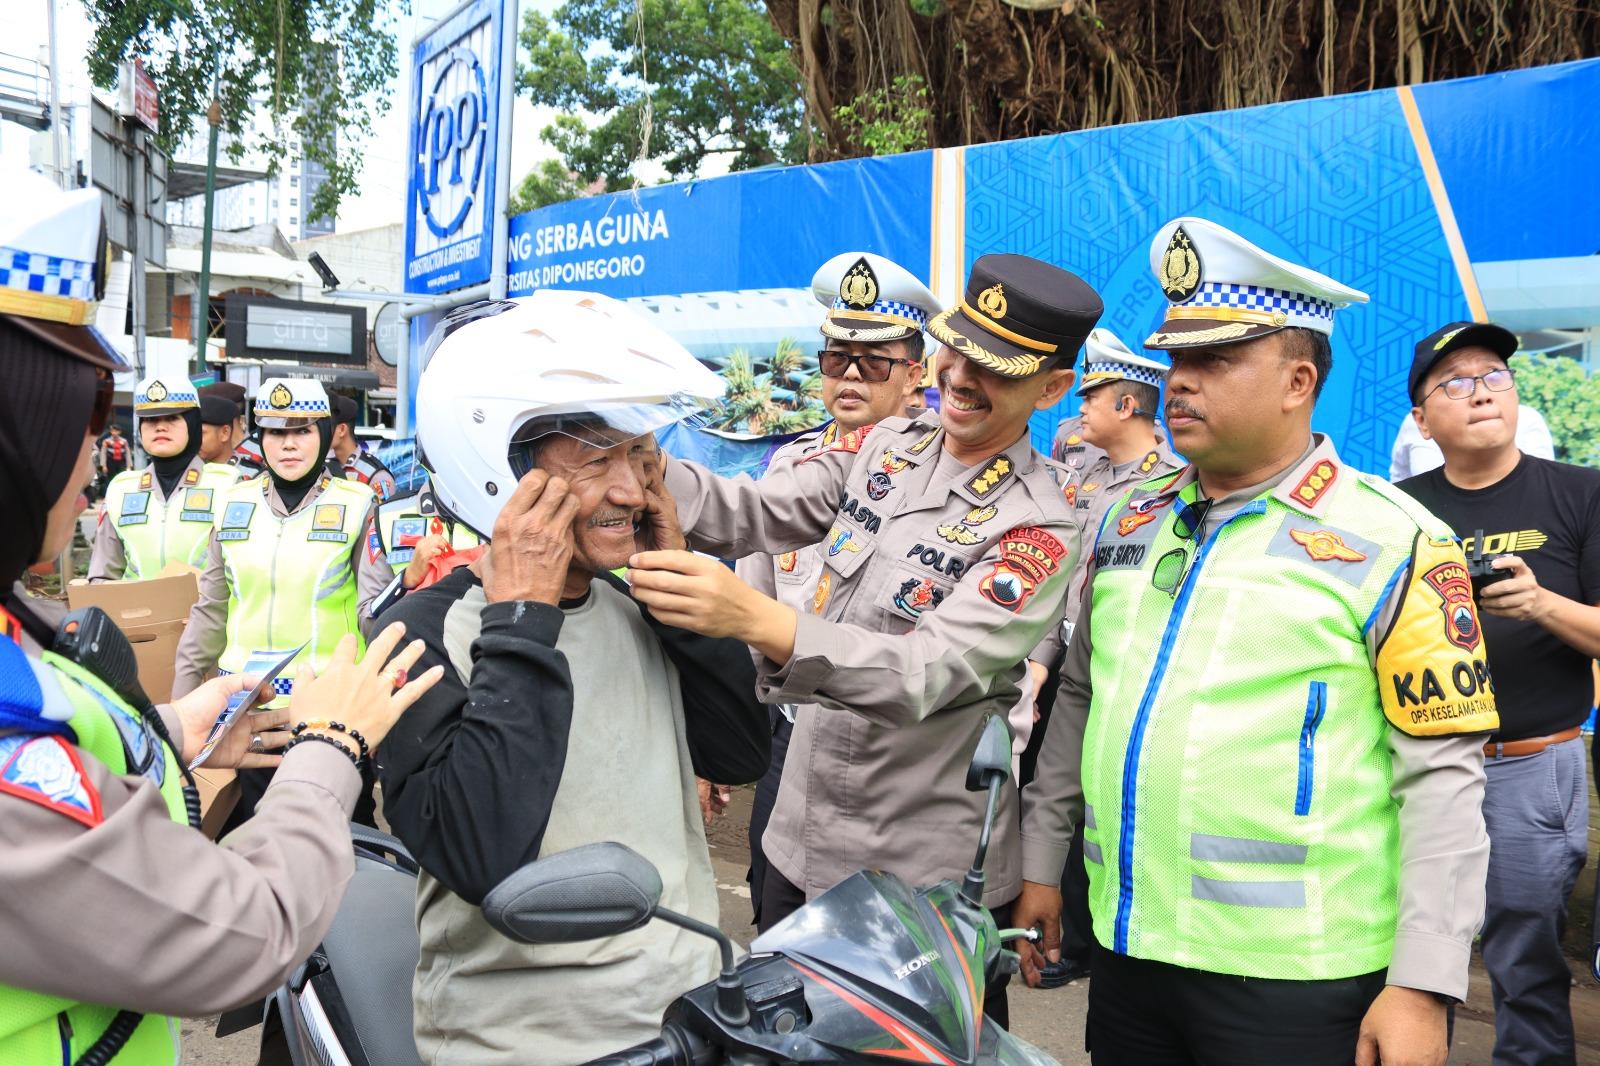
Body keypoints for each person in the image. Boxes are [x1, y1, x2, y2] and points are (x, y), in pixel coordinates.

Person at [1015, 217, 1498, 1066]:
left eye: (1214, 361)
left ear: (1298, 381)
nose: (1181, 383)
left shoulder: (1393, 540)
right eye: (1175, 360)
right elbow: (1082, 697)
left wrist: (1423, 982)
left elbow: (1443, 780)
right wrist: (1044, 863)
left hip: (1300, 982)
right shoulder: (1130, 518)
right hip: (1130, 957)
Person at [0, 168, 441, 1064]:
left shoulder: (357, 506)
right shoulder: (227, 508)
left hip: (300, 708)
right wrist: (331, 751)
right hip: (297, 729)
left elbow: (383, 605)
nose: (100, 444)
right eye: (90, 405)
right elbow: (238, 930)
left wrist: (168, 728)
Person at [630, 253, 1097, 1024]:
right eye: (955, 351)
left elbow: (925, 670)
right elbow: (751, 510)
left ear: (1052, 389)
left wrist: (751, 617)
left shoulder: (1038, 526)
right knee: (784, 1037)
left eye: (997, 370)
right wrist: (639, 459)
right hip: (798, 837)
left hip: (911, 875)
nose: (960, 378)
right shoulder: (886, 447)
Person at [373, 293, 769, 1065]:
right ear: (502, 469)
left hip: (683, 1016)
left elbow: (740, 756)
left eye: (641, 459)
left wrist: (681, 600)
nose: (632, 491)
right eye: (597, 462)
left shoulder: (632, 604)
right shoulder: (423, 629)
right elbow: (475, 849)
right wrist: (522, 617)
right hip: (531, 1042)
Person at [1394, 320, 1600, 1066]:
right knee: (1412, 960)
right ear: (1421, 416)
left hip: (1528, 768)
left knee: (1528, 964)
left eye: (1494, 378)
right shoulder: (1396, 510)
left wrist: (1541, 604)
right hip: (1416, 764)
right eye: (1455, 382)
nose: (1481, 393)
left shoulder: (1581, 494)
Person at [737, 251, 940, 926]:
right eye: (836, 358)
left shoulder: (951, 479)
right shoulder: (791, 466)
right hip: (793, 738)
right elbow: (754, 608)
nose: (850, 374)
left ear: (917, 375)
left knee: (898, 954)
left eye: (874, 360)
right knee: (779, 927)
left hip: (899, 754)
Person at [1025, 328, 1183, 989]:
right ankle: (1048, 923)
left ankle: (1088, 937)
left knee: (1098, 797)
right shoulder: (1080, 475)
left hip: (1118, 660)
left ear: (1127, 406)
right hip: (1057, 653)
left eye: (1093, 396)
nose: (1079, 407)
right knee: (1047, 787)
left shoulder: (1170, 485)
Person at [173, 376, 396, 827]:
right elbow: (211, 609)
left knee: (341, 837)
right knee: (247, 839)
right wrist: (178, 712)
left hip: (326, 714)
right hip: (245, 712)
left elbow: (373, 609)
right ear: (261, 437)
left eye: (302, 431)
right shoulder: (233, 504)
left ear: (325, 432)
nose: (288, 444)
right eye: (276, 431)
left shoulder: (358, 505)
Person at [87, 375, 241, 582]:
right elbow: (102, 575)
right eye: (150, 420)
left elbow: (244, 574)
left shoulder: (229, 486)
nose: (160, 427)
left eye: (172, 418)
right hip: (134, 612)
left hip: (206, 612)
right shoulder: (121, 490)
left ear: (192, 423)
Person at [1391, 398, 1553, 480]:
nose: (1481, 394)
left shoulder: (1528, 420)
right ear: (1422, 420)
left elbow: (1543, 486)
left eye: (1493, 374)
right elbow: (1399, 483)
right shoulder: (1414, 425)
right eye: (1457, 382)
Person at [331, 393, 397, 500]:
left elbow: (381, 514)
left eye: (326, 426)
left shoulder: (376, 476)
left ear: (342, 430)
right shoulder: (321, 466)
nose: (320, 432)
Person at [197, 393, 239, 463]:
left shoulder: (250, 472)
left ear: (225, 433)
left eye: (200, 433)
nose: (193, 441)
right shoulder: (190, 471)